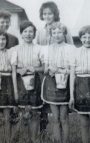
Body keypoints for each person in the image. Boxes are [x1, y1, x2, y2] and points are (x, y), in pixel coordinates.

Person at [36, 1, 74, 132]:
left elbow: (71, 47)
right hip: (46, 70)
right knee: (45, 101)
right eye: (44, 14)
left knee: (60, 102)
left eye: (50, 13)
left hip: (63, 71)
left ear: (55, 14)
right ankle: (43, 129)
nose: (47, 16)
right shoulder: (40, 32)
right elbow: (38, 51)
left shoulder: (63, 28)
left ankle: (62, 130)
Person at [41, 22, 76, 143]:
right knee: (55, 118)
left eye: (59, 32)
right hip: (51, 83)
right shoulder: (47, 49)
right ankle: (57, 140)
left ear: (64, 33)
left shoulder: (71, 48)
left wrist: (62, 70)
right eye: (54, 32)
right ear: (51, 35)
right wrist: (50, 68)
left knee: (64, 118)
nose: (56, 35)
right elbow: (45, 70)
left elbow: (73, 70)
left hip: (65, 84)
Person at [11, 20, 44, 142]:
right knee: (23, 113)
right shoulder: (15, 49)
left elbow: (44, 68)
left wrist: (35, 68)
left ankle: (34, 139)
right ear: (21, 34)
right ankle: (24, 139)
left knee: (35, 113)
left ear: (34, 34)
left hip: (35, 83)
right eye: (25, 31)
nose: (28, 34)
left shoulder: (40, 48)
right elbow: (12, 69)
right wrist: (19, 70)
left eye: (31, 31)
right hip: (21, 84)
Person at [0, 28, 18, 143]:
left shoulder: (11, 52)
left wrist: (15, 91)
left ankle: (7, 139)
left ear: (6, 40)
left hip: (8, 83)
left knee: (7, 115)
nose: (1, 42)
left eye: (3, 39)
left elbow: (14, 72)